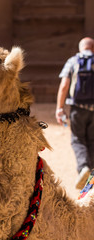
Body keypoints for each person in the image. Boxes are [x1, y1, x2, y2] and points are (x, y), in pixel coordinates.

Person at [56, 37, 94, 189]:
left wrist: (60, 108)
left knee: (77, 139)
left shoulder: (73, 61)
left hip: (77, 109)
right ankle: (91, 176)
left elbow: (64, 85)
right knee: (92, 141)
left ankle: (83, 167)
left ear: (80, 48)